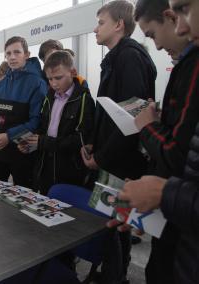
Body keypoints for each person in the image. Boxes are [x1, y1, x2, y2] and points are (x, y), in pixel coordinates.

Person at [80, 1, 157, 283]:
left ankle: (116, 277)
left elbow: (132, 119)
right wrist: (94, 145)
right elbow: (110, 113)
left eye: (101, 22)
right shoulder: (115, 57)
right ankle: (106, 272)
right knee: (107, 222)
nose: (95, 28)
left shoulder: (129, 57)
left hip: (122, 163)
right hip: (110, 158)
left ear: (118, 25)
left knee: (118, 225)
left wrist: (102, 156)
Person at [131, 1, 199, 282]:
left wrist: (148, 127)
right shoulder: (186, 63)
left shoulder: (193, 65)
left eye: (183, 10)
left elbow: (175, 153)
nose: (183, 26)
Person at [0, 36, 47, 187]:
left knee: (23, 201)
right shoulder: (2, 84)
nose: (12, 57)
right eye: (8, 53)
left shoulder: (37, 83)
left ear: (26, 54)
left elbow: (35, 122)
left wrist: (9, 136)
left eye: (17, 52)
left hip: (22, 153)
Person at [21, 51, 95, 196]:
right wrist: (30, 143)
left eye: (58, 78)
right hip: (45, 167)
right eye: (50, 79)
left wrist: (43, 142)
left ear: (72, 72)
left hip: (69, 170)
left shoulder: (84, 99)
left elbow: (80, 139)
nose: (54, 83)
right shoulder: (49, 97)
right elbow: (43, 127)